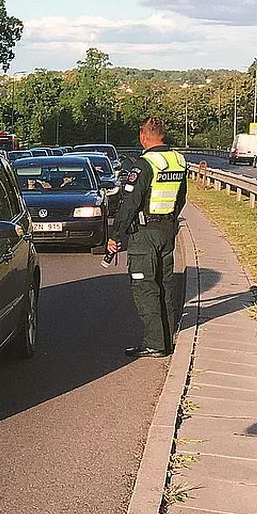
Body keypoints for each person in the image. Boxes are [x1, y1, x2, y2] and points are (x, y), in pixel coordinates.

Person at [105, 116, 188, 357]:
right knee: (164, 284)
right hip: (167, 230)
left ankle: (155, 343)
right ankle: (166, 338)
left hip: (145, 234)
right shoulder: (178, 161)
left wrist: (117, 234)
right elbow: (181, 198)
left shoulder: (145, 164)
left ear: (143, 136)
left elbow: (130, 204)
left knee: (145, 287)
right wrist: (170, 221)